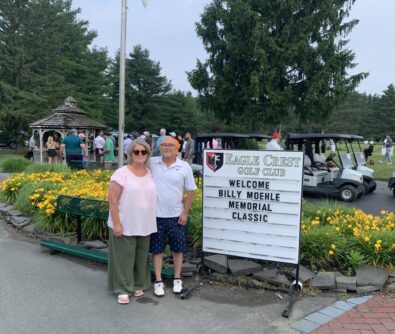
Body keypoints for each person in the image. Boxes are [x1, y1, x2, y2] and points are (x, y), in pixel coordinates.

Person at [107, 139, 157, 304]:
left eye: (144, 151)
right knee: (124, 258)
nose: (140, 154)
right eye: (137, 151)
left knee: (141, 256)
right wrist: (116, 223)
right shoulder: (121, 173)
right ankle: (122, 288)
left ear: (148, 154)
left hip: (145, 223)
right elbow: (112, 200)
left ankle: (137, 283)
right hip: (125, 221)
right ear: (130, 154)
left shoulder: (150, 173)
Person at [150, 136, 197, 297]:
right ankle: (158, 280)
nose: (167, 147)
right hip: (156, 215)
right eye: (164, 145)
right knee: (157, 250)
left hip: (177, 215)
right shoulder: (152, 163)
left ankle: (177, 278)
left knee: (178, 249)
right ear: (159, 147)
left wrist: (185, 212)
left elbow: (191, 190)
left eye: (171, 145)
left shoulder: (184, 166)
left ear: (177, 147)